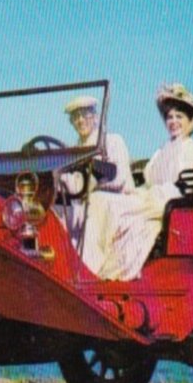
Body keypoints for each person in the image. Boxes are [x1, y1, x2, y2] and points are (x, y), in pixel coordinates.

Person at [93, 83, 193, 280]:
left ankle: (111, 270)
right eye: (170, 117)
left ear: (190, 122)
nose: (173, 121)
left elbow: (191, 186)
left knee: (115, 208)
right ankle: (95, 260)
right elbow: (149, 178)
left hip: (172, 202)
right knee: (100, 200)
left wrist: (156, 194)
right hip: (151, 196)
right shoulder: (161, 151)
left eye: (179, 117)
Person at [58, 96, 135, 264]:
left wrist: (94, 179)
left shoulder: (112, 141)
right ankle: (61, 259)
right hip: (84, 199)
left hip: (118, 200)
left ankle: (90, 265)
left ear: (95, 116)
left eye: (85, 115)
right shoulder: (73, 151)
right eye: (76, 117)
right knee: (58, 207)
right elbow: (74, 185)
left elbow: (119, 178)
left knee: (95, 203)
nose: (80, 120)